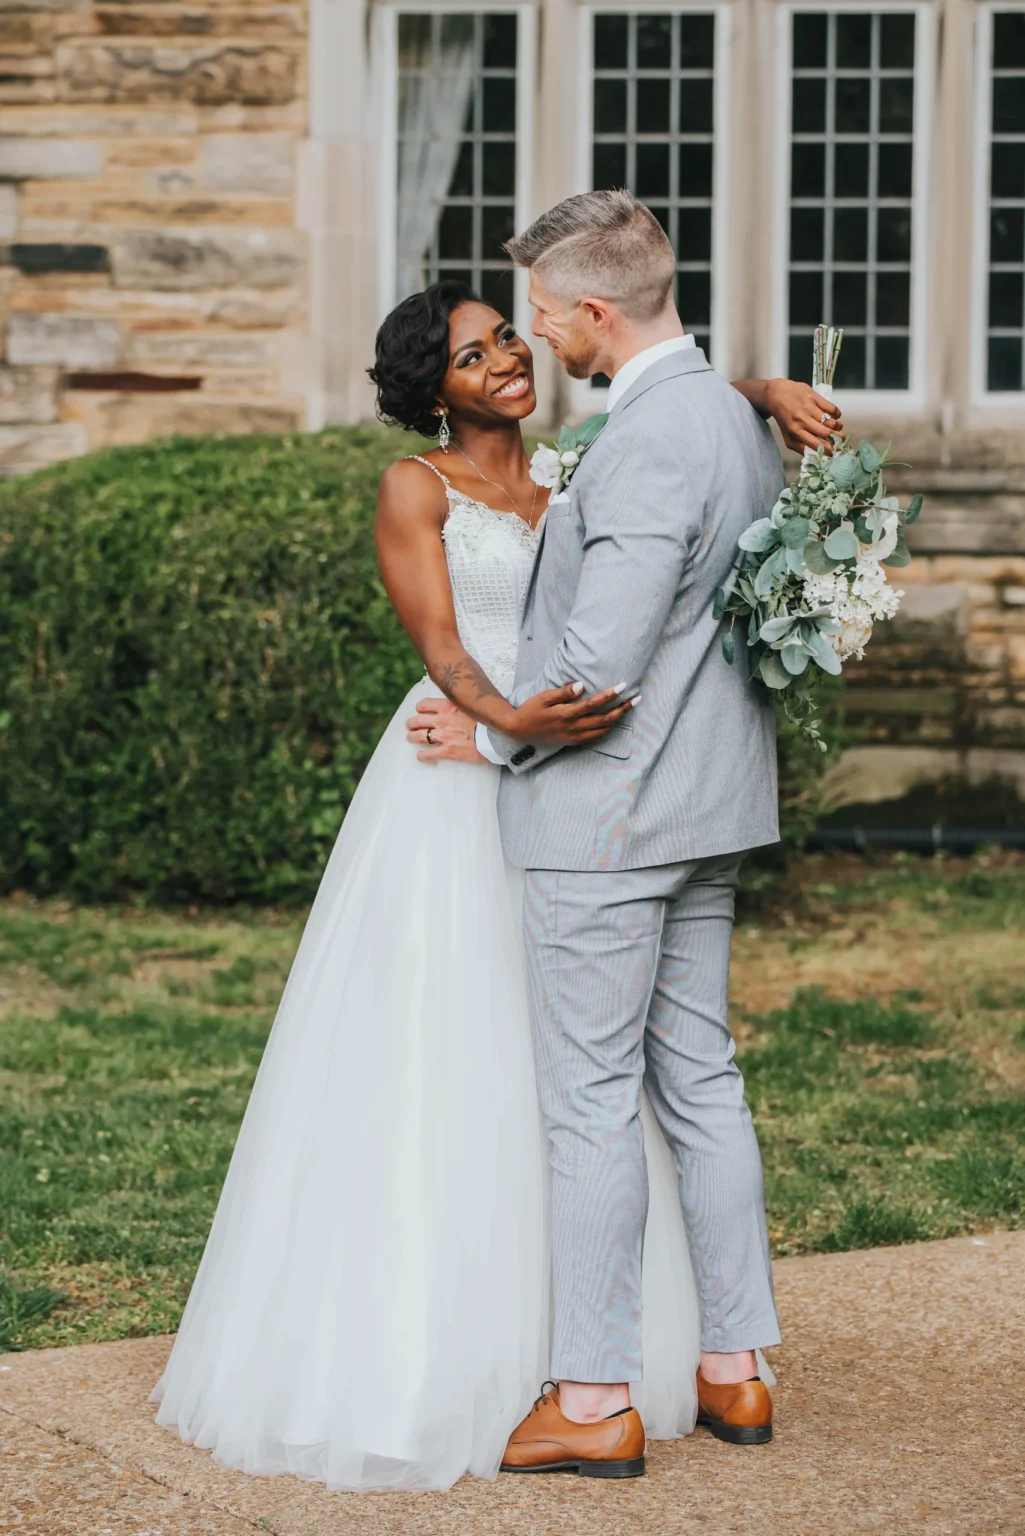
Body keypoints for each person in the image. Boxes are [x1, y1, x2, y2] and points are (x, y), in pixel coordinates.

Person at [152, 267, 841, 1490]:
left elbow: (662, 415)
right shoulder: (413, 490)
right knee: (460, 1043)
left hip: (572, 776)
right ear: (431, 391)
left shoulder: (573, 464)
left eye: (508, 342)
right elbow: (442, 652)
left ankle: (607, 1358)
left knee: (581, 1067)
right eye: (473, 358)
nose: (507, 365)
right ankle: (465, 1342)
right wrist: (503, 728)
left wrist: (757, 392)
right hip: (461, 773)